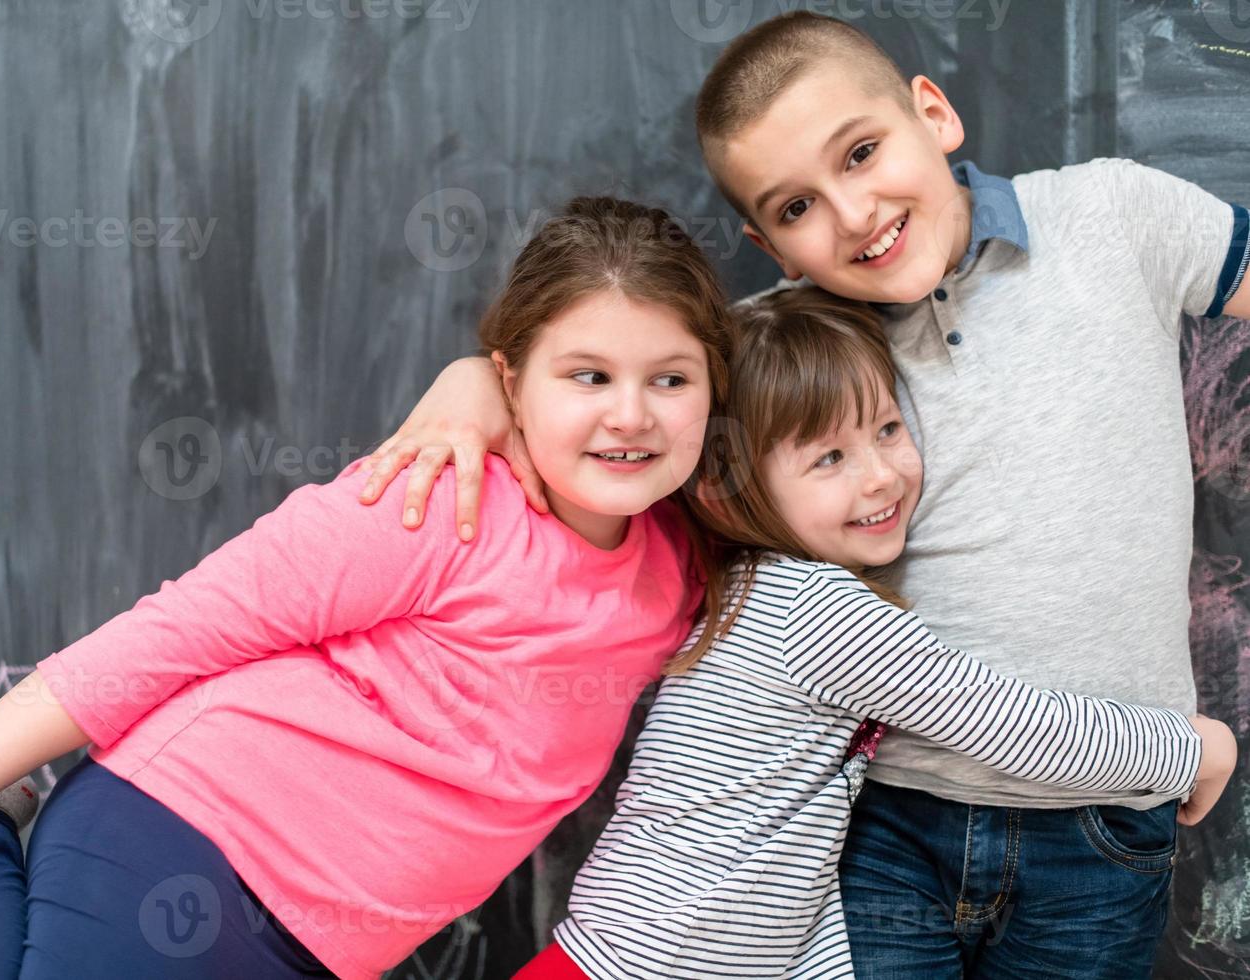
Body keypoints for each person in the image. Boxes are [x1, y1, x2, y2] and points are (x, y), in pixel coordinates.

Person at [355, 12, 1248, 977]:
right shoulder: (774, 355)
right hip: (887, 822)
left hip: (1102, 826)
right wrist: (472, 383)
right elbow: (600, 380)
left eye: (862, 153)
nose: (854, 214)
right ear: (769, 245)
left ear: (934, 114)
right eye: (796, 208)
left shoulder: (1113, 215)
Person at [0, 196, 735, 980]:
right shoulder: (426, 501)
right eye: (588, 376)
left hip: (327, 949)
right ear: (512, 378)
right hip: (181, 836)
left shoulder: (683, 567)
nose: (630, 413)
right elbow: (176, 631)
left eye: (669, 378)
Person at [508, 287, 1236, 978]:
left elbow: (795, 869)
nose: (881, 476)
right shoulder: (813, 608)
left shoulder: (743, 588)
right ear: (725, 494)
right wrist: (1189, 749)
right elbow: (1011, 724)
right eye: (829, 458)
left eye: (888, 429)